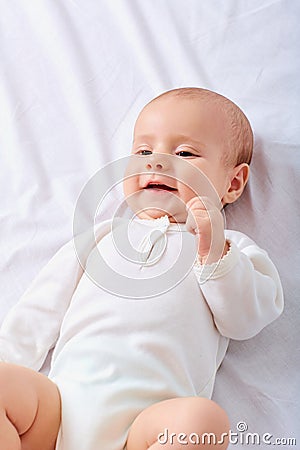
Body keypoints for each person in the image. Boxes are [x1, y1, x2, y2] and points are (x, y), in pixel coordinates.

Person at [0, 87, 284, 450]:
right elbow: (40, 306)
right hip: (58, 415)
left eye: (184, 153)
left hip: (149, 425)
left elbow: (246, 319)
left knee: (203, 422)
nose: (157, 162)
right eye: (144, 151)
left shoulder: (234, 251)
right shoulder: (101, 238)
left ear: (232, 183)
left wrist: (215, 252)